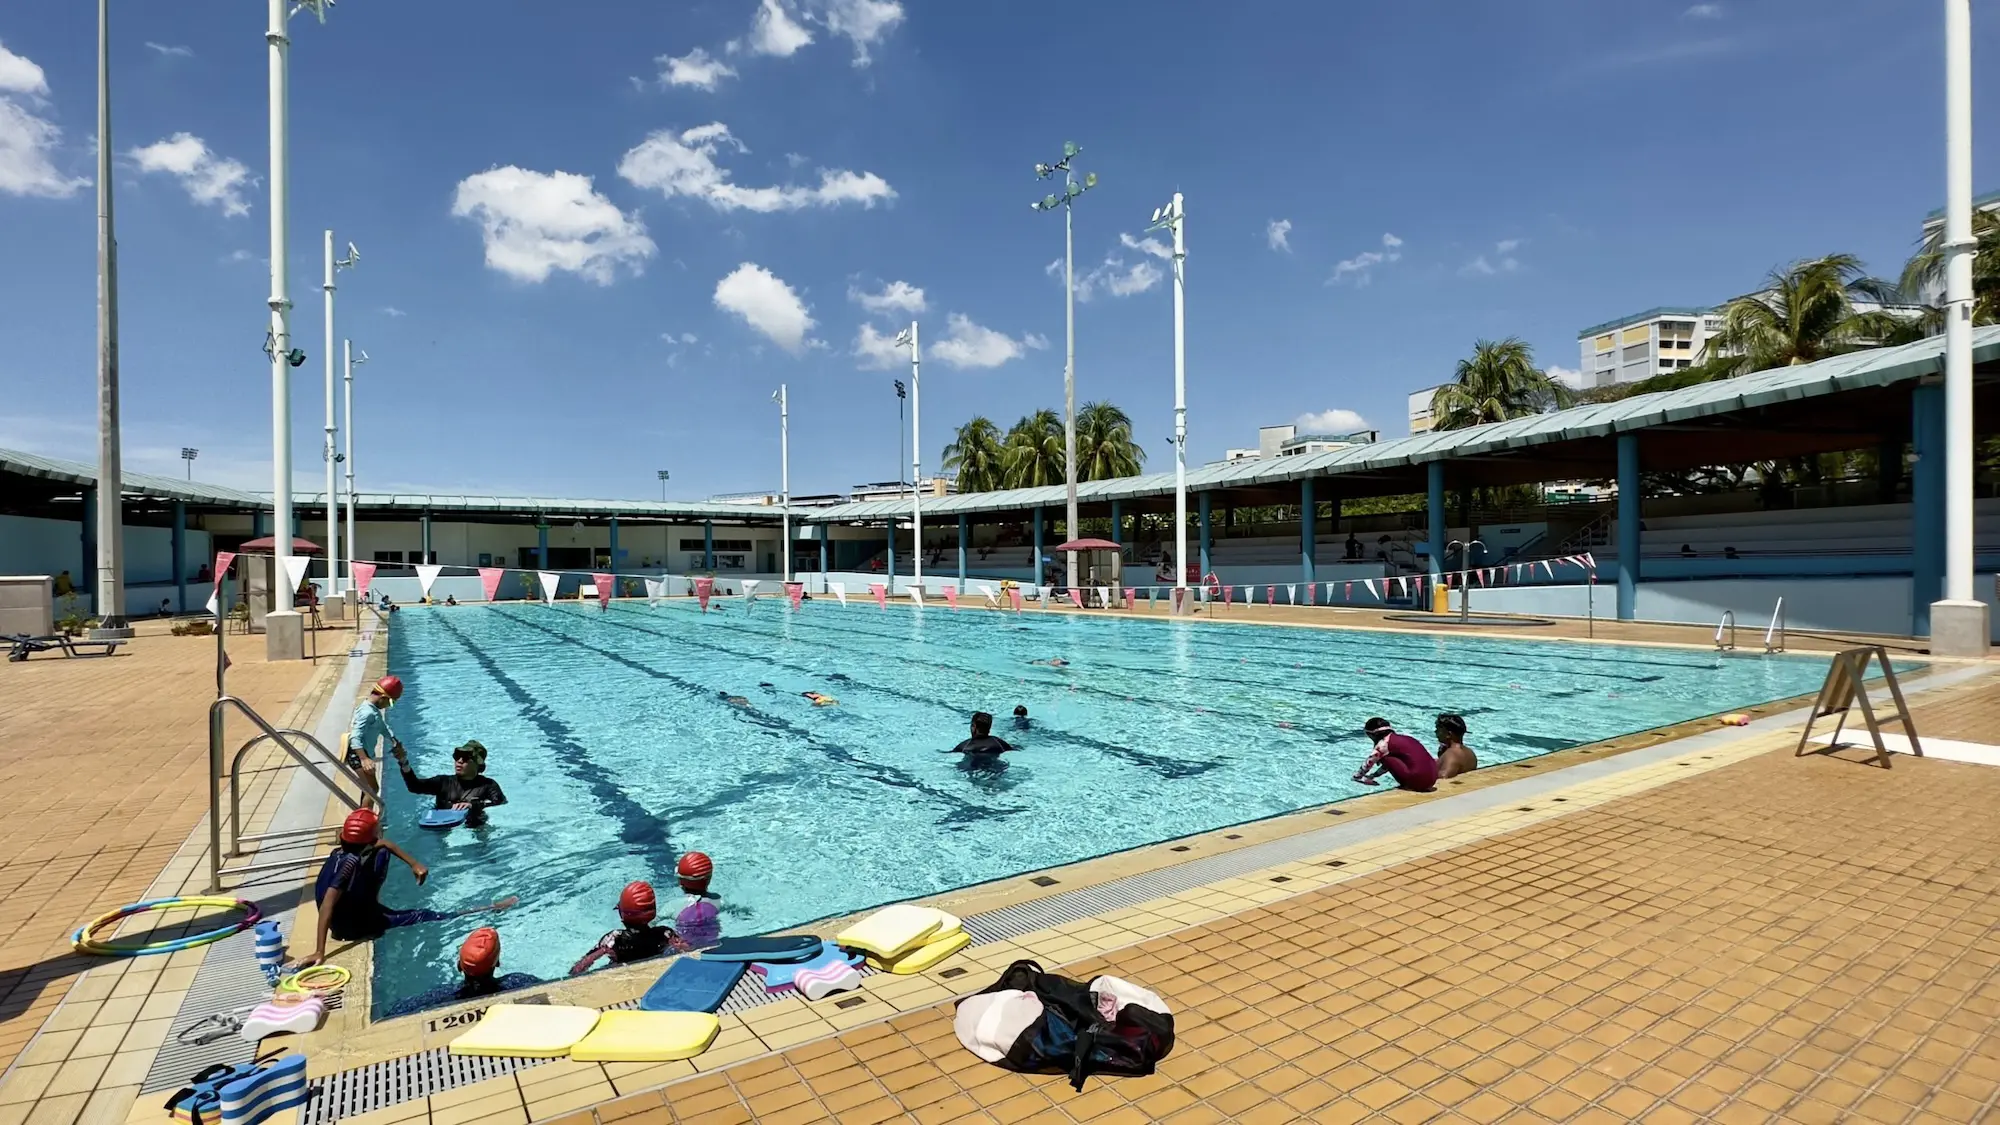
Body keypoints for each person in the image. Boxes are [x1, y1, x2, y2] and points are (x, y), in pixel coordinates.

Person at [299, 809, 515, 968]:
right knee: (426, 915)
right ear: (371, 836)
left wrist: (414, 864)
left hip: (351, 912)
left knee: (382, 852)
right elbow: (327, 904)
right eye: (378, 829)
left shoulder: (343, 852)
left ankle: (369, 906)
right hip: (356, 927)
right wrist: (320, 950)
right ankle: (489, 908)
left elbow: (384, 844)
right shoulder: (349, 865)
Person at [381, 927, 542, 1017]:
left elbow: (393, 1013)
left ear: (459, 966)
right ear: (497, 963)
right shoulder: (519, 982)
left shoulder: (440, 995)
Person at [570, 881, 689, 975]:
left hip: (622, 976)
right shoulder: (665, 933)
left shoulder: (614, 938)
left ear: (622, 914)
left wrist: (573, 974)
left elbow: (584, 964)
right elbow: (686, 949)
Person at [391, 739, 507, 826]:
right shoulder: (443, 782)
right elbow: (414, 787)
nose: (459, 761)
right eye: (457, 757)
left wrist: (474, 805)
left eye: (466, 758)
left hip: (475, 828)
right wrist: (403, 761)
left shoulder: (488, 785)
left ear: (478, 764)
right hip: (443, 828)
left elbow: (500, 804)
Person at [347, 676, 403, 802]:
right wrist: (364, 759)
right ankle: (364, 820)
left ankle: (364, 815)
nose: (389, 706)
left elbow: (382, 727)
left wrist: (394, 740)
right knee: (372, 789)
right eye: (390, 702)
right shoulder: (367, 713)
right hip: (357, 754)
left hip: (364, 753)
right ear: (383, 697)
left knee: (368, 788)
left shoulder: (373, 710)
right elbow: (355, 737)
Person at [1354, 717, 1438, 793]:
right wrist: (1373, 776)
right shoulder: (1405, 738)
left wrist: (1357, 777)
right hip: (1432, 779)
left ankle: (1409, 784)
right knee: (1388, 756)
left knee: (1385, 757)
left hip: (1417, 782)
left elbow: (1369, 761)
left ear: (1372, 734)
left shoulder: (1384, 744)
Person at [674, 851, 722, 948]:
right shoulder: (717, 901)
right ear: (709, 879)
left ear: (680, 882)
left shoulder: (674, 905)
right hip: (713, 943)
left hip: (686, 946)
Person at [946, 712, 1016, 759]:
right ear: (989, 727)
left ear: (974, 726)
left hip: (972, 768)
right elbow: (1014, 750)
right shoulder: (999, 743)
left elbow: (948, 754)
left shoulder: (964, 746)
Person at [1435, 714, 1477, 780]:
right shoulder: (1469, 752)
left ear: (1448, 734)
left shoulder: (1452, 754)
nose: (1435, 732)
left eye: (1438, 729)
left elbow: (1444, 776)